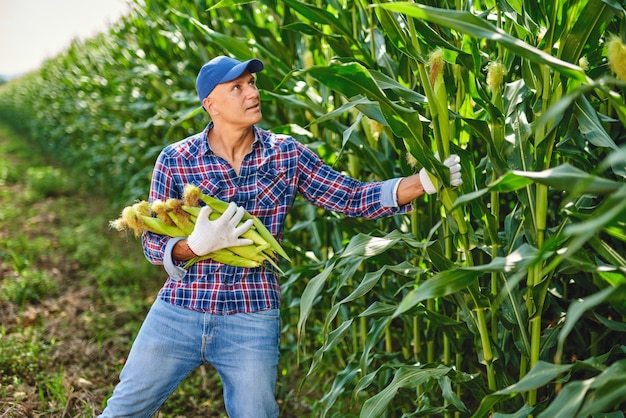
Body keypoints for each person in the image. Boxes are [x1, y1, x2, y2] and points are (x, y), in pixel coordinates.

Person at [99, 55, 462, 417]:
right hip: (180, 310)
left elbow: (350, 196)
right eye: (236, 88)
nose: (251, 93)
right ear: (211, 105)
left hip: (251, 317)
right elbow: (151, 241)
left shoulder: (285, 153)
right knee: (123, 411)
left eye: (252, 84)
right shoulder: (176, 159)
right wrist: (192, 247)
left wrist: (422, 183)